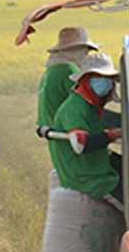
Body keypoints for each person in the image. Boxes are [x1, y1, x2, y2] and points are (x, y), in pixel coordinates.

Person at [49, 53, 124, 209]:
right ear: (86, 80)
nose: (105, 82)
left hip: (96, 169)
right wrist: (115, 134)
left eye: (108, 78)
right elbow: (81, 145)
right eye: (98, 76)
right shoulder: (76, 108)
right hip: (88, 179)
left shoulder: (90, 106)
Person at [36, 27, 99, 138]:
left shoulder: (51, 71)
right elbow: (84, 104)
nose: (86, 55)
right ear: (76, 50)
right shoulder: (69, 71)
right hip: (67, 132)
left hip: (53, 133)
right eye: (85, 50)